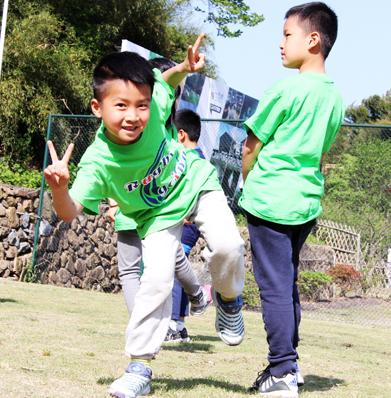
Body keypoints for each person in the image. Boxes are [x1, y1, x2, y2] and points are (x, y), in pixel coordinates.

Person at [43, 36, 245, 398]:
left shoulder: (155, 106)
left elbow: (164, 83)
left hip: (195, 182)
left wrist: (184, 68)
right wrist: (59, 187)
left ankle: (228, 301)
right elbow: (69, 212)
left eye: (141, 105)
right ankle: (139, 365)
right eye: (121, 105)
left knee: (229, 246)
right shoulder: (97, 161)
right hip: (155, 215)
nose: (133, 116)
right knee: (154, 282)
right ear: (96, 107)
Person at [240, 2, 344, 397]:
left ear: (312, 39)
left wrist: (249, 181)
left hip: (270, 201)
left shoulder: (285, 89)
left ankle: (281, 372)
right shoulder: (335, 98)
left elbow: (251, 145)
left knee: (274, 287)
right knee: (288, 284)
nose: (281, 44)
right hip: (305, 205)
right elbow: (319, 153)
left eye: (287, 35)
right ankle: (290, 366)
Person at [108, 57, 209, 324]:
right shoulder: (164, 127)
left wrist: (113, 201)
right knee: (167, 258)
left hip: (141, 205)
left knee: (134, 270)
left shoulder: (127, 119)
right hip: (151, 208)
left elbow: (112, 160)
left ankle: (151, 324)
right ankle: (193, 298)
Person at [164, 108, 212, 343]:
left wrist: (185, 214)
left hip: (185, 223)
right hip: (188, 225)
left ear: (181, 134)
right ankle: (180, 325)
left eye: (173, 134)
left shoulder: (191, 159)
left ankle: (172, 324)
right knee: (181, 272)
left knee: (174, 270)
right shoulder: (199, 157)